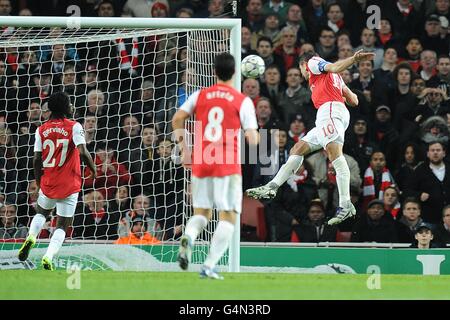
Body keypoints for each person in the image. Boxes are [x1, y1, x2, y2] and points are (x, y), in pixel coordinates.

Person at [247, 49, 375, 226]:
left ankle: (345, 204)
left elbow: (334, 66)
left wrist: (353, 59)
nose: (302, 74)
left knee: (335, 155)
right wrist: (340, 93)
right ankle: (272, 187)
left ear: (302, 65)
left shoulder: (313, 62)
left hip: (330, 111)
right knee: (297, 149)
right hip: (330, 113)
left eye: (300, 70)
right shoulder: (334, 79)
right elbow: (354, 101)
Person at [172, 52, 259, 279]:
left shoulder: (200, 95)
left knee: (202, 212)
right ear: (235, 73)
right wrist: (253, 136)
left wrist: (185, 150)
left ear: (214, 72)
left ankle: (189, 236)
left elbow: (177, 119)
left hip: (201, 161)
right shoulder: (242, 100)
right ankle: (209, 265)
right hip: (227, 164)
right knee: (228, 215)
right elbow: (252, 138)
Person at [17, 91, 96, 270]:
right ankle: (48, 257)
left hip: (49, 181)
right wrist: (94, 169)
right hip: (69, 184)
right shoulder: (74, 126)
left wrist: (39, 181)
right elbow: (83, 151)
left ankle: (31, 237)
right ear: (66, 107)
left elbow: (36, 159)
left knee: (41, 213)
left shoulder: (41, 129)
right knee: (62, 225)